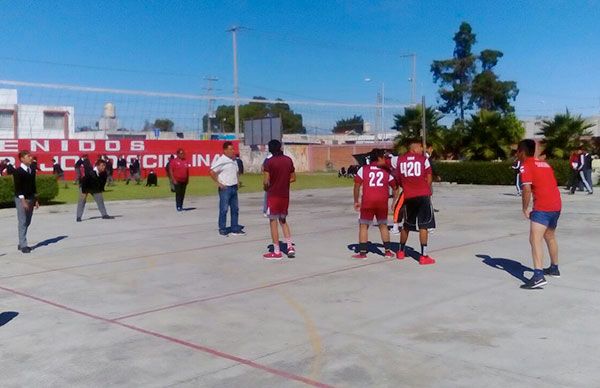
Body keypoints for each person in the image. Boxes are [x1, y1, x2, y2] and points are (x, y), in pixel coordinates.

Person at [517, 139, 562, 289]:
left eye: (517, 152)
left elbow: (527, 189)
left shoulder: (526, 166)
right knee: (549, 236)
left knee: (534, 239)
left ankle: (538, 276)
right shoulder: (545, 164)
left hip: (542, 207)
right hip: (556, 205)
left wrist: (525, 208)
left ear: (522, 152)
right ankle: (554, 268)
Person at [394, 138, 436, 265]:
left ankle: (401, 251)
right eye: (419, 147)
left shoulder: (400, 160)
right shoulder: (424, 160)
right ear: (413, 148)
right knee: (424, 225)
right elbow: (429, 177)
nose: (422, 149)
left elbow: (398, 179)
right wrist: (426, 189)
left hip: (408, 195)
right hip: (423, 195)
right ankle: (423, 255)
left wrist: (407, 187)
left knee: (406, 225)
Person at [352, 148, 397, 259]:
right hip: (382, 202)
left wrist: (356, 201)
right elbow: (395, 187)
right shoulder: (386, 171)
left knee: (363, 226)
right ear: (379, 158)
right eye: (383, 156)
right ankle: (387, 251)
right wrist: (394, 201)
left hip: (368, 201)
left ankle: (363, 252)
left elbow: (357, 186)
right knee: (383, 226)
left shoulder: (364, 169)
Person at [262, 140, 296, 259]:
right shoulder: (288, 160)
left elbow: (266, 181)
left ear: (270, 149)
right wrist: (283, 181)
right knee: (283, 220)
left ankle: (276, 251)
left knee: (273, 222)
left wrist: (266, 186)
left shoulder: (269, 162)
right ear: (280, 148)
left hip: (273, 195)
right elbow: (293, 178)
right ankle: (289, 246)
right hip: (285, 195)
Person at [210, 141, 245, 236]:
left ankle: (234, 228)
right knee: (224, 209)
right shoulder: (221, 160)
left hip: (234, 187)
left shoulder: (234, 160)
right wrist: (219, 183)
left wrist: (238, 181)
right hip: (225, 188)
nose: (233, 151)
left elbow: (236, 172)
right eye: (230, 149)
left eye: (233, 149)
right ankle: (222, 228)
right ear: (225, 150)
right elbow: (212, 172)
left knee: (235, 209)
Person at [13, 150, 39, 253]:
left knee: (28, 221)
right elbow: (18, 188)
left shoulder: (32, 169)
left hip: (31, 197)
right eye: (28, 156)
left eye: (31, 156)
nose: (31, 158)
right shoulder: (17, 171)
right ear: (22, 159)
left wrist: (36, 199)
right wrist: (23, 201)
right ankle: (23, 245)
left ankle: (21, 241)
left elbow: (33, 185)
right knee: (22, 221)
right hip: (21, 199)